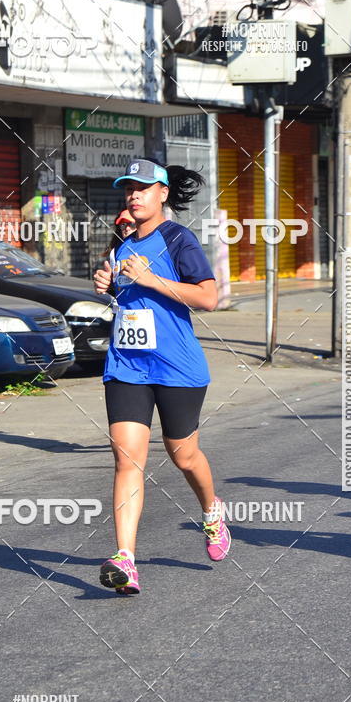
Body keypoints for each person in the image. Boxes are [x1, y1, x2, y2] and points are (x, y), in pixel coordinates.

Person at [92, 157, 231, 595]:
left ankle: (211, 511)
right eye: (128, 187)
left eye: (143, 187)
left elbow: (209, 297)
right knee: (127, 458)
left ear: (163, 194)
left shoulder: (178, 239)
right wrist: (104, 284)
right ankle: (125, 559)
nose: (134, 194)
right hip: (127, 365)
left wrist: (152, 280)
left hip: (177, 367)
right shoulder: (118, 244)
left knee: (183, 456)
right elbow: (122, 296)